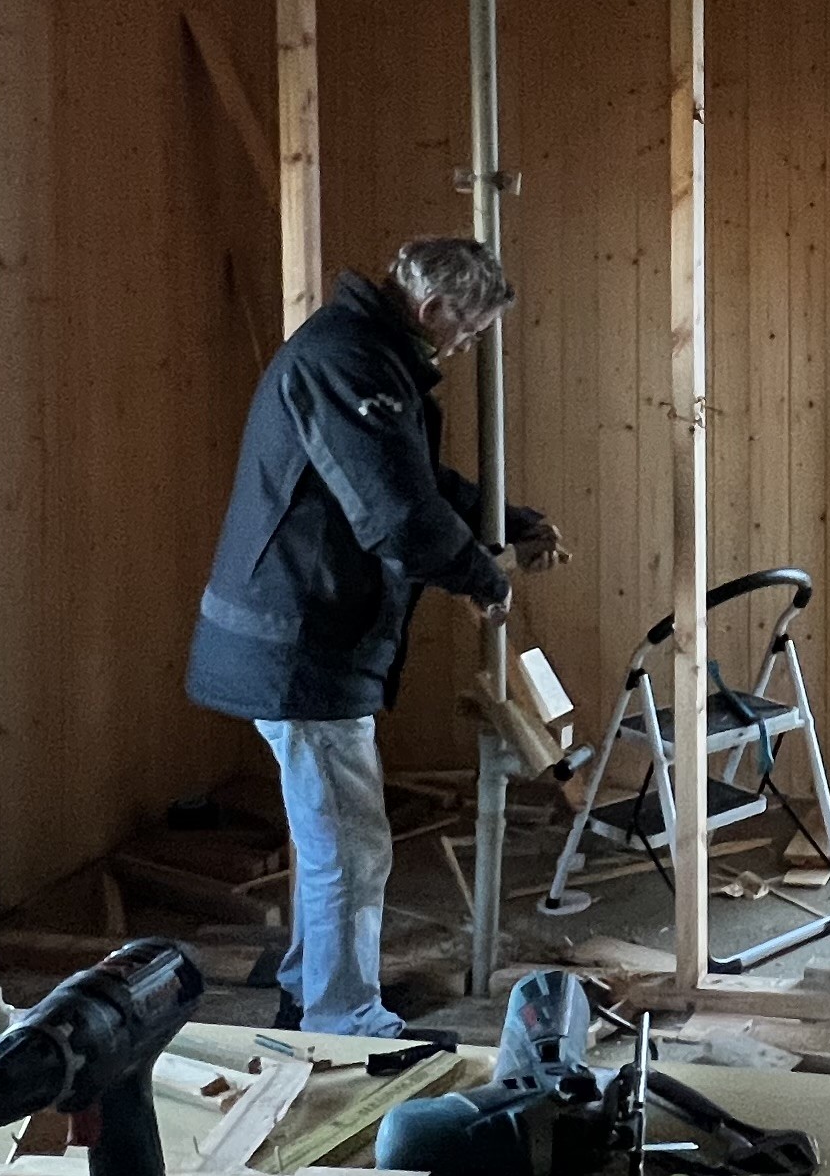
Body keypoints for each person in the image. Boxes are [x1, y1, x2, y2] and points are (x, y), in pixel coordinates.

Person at [188, 237, 563, 1035]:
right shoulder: (349, 364)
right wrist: (480, 577)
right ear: (431, 312)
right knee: (352, 845)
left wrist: (508, 523)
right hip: (298, 648)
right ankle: (344, 1021)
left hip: (306, 637)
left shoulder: (365, 356)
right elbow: (397, 517)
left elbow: (415, 487)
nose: (463, 351)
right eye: (466, 334)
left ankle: (307, 981)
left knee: (330, 834)